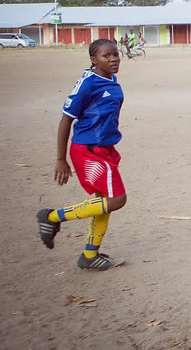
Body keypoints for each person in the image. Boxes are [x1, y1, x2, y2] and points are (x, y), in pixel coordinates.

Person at [36, 38, 127, 271]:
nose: (114, 58)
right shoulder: (88, 83)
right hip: (89, 150)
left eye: (116, 54)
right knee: (117, 200)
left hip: (104, 149)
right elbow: (67, 118)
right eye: (107, 55)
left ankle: (89, 254)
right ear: (93, 59)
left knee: (103, 202)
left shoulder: (110, 79)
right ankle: (52, 217)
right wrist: (60, 158)